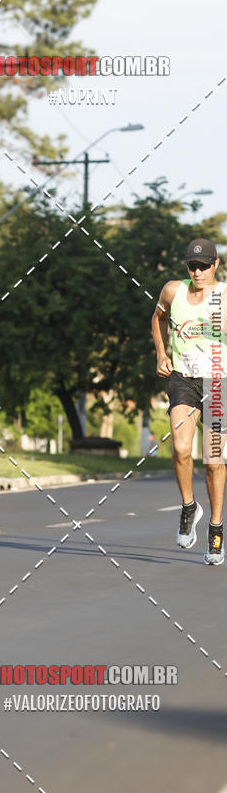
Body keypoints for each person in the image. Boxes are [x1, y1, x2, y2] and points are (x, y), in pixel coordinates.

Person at [151, 238, 227, 565]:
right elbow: (158, 318)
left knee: (213, 461)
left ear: (216, 265)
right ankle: (189, 507)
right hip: (183, 378)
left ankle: (216, 528)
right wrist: (161, 353)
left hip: (218, 384)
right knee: (181, 448)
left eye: (204, 266)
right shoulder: (173, 290)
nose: (197, 272)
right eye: (192, 266)